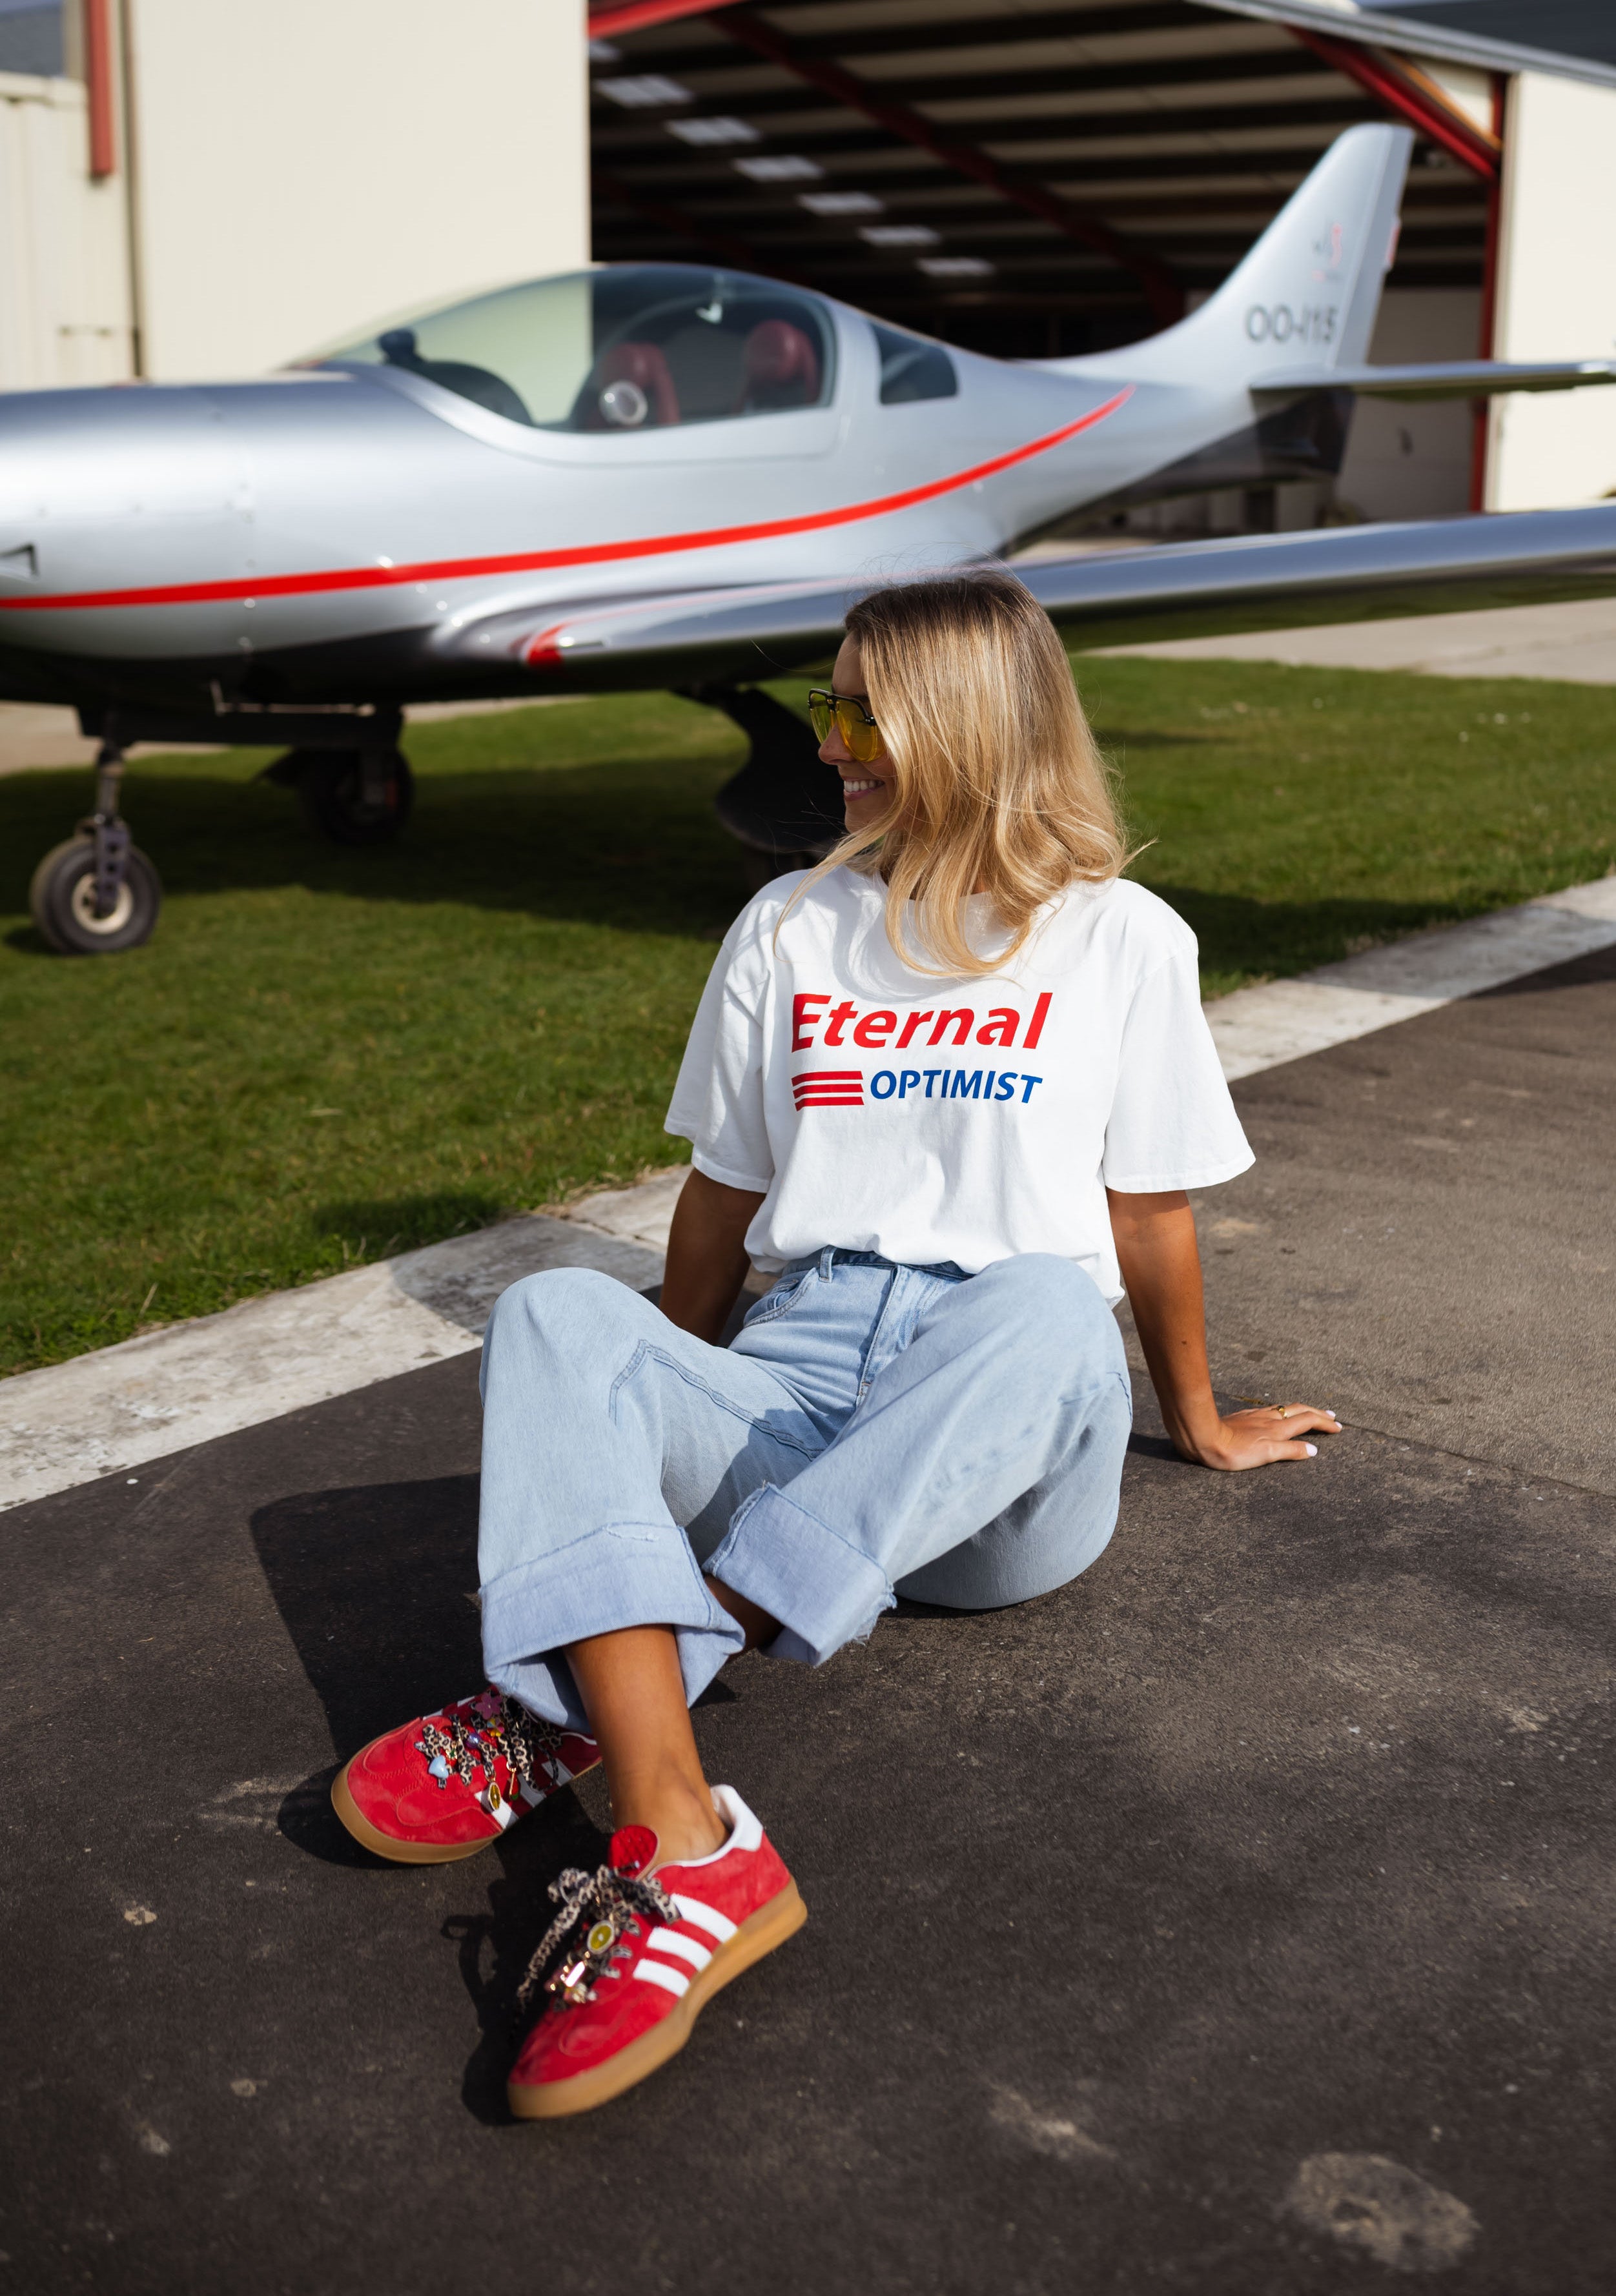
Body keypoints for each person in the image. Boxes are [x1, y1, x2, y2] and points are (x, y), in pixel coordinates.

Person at [331, 570, 1339, 2119]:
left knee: (1044, 1299)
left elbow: (1144, 1217)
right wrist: (629, 1417)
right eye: (833, 705)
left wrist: (1194, 1418)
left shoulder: (1124, 939)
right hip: (797, 1384)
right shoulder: (791, 923)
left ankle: (596, 1680)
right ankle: (682, 1842)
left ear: (967, 726)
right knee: (550, 1310)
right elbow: (722, 1196)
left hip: (997, 1452)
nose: (833, 743)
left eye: (865, 711)